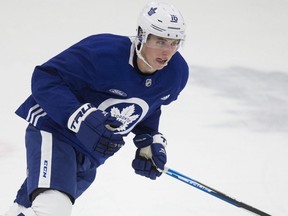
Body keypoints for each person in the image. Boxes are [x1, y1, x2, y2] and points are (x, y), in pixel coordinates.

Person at [4, 1, 188, 216]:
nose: (167, 51)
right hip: (56, 131)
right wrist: (81, 117)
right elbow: (45, 79)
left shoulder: (176, 73)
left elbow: (152, 103)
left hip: (92, 153)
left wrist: (148, 139)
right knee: (52, 210)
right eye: (160, 41)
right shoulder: (103, 53)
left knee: (28, 209)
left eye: (174, 42)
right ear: (141, 35)